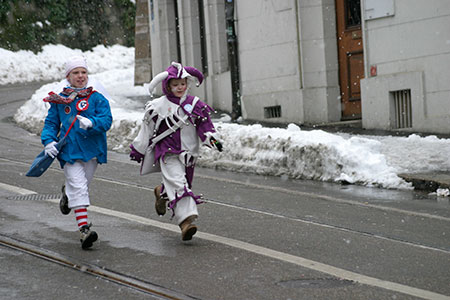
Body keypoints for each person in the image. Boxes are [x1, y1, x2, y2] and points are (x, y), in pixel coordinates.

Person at [129, 62, 222, 241]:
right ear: (168, 86)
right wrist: (139, 149)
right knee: (180, 185)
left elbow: (205, 127)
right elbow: (147, 129)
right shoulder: (157, 106)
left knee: (182, 184)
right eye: (175, 84)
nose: (180, 88)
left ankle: (161, 192)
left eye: (182, 84)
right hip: (167, 153)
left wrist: (213, 140)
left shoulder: (195, 104)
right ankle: (186, 222)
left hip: (188, 154)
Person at [40, 55, 112, 249]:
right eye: (75, 73)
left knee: (81, 187)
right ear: (68, 76)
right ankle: (84, 231)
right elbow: (51, 124)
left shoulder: (97, 97)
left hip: (92, 151)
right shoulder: (60, 100)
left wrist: (93, 123)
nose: (80, 76)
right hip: (69, 152)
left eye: (83, 72)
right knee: (79, 187)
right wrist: (48, 141)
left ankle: (67, 194)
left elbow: (107, 120)